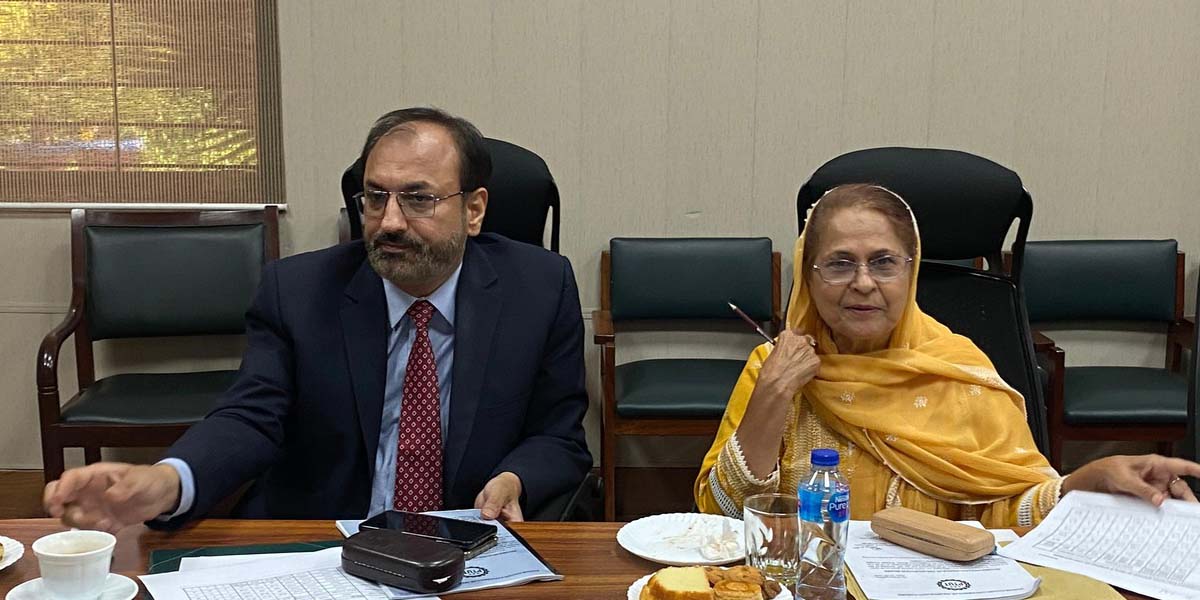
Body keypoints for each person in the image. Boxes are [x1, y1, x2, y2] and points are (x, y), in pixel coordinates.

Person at [44, 107, 592, 532]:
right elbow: (252, 416)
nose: (389, 222)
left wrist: (515, 476)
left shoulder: (540, 289)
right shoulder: (299, 290)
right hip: (326, 540)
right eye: (376, 197)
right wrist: (168, 480)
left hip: (465, 543)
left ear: (473, 210)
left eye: (418, 200)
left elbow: (559, 436)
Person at [696, 183, 1200, 527]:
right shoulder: (775, 368)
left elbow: (1007, 514)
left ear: (911, 273)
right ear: (808, 276)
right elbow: (720, 518)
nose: (864, 283)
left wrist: (1080, 486)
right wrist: (775, 394)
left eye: (884, 262)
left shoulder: (961, 372)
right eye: (840, 263)